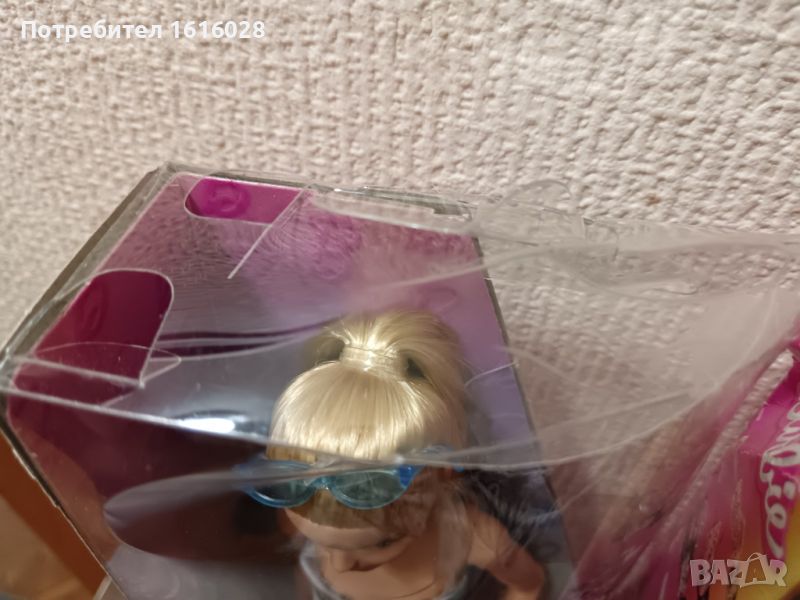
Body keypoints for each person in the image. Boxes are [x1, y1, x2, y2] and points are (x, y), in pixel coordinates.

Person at [256, 310, 545, 600]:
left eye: (382, 544)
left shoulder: (475, 539)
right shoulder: (296, 509)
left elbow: (528, 585)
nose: (341, 565)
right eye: (318, 542)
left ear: (441, 472)